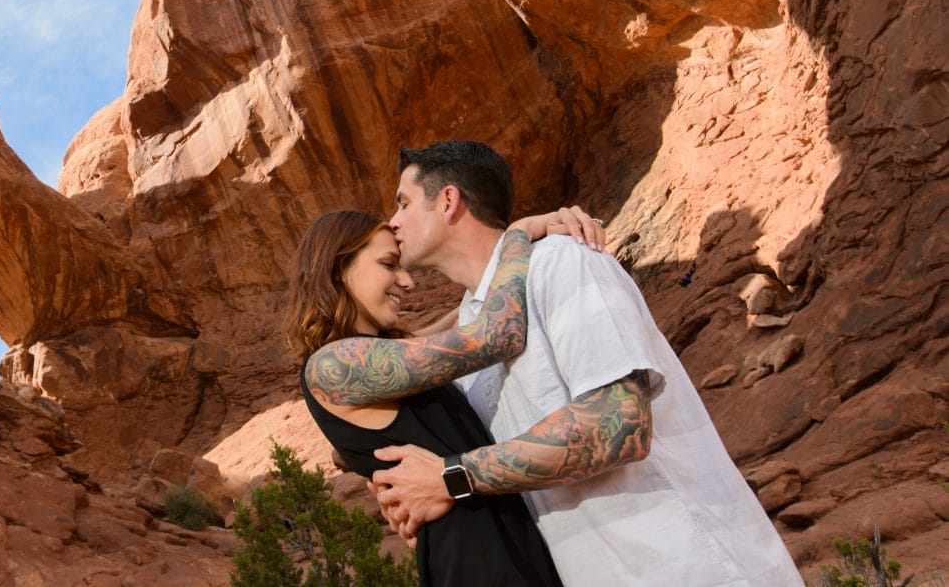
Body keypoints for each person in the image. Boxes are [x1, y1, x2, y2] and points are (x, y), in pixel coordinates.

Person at [320, 140, 801, 585]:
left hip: (686, 566)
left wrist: (450, 477)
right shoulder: (473, 320)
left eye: (403, 202)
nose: (395, 222)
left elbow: (618, 426)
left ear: (448, 201)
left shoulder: (561, 264)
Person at [288, 205, 599, 585]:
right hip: (475, 559)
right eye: (389, 264)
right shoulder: (335, 365)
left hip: (498, 542)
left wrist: (483, 281)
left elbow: (453, 327)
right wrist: (517, 236)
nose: (407, 281)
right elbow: (496, 335)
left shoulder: (379, 353)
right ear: (338, 268)